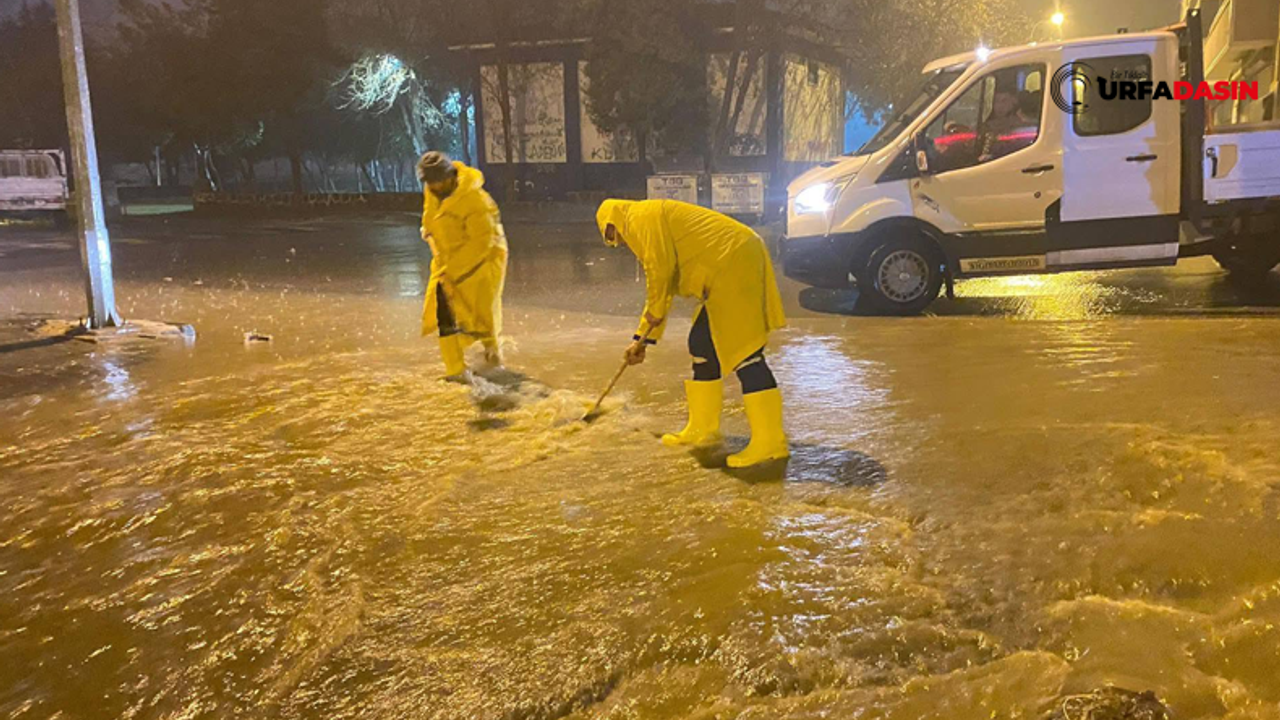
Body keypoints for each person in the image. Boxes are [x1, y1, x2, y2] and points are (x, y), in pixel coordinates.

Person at [596, 198, 789, 468]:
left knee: (745, 352)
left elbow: (659, 272)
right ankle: (704, 429)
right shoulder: (644, 219)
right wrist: (643, 340)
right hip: (727, 265)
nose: (620, 242)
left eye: (613, 234)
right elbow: (670, 275)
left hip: (733, 262)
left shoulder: (640, 218)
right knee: (701, 345)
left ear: (613, 219)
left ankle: (771, 443)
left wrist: (643, 333)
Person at [418, 151, 508, 382]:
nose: (434, 186)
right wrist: (427, 228)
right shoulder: (432, 191)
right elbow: (431, 215)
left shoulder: (476, 200)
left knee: (481, 313)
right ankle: (455, 369)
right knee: (444, 313)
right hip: (445, 263)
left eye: (437, 180)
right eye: (430, 182)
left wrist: (455, 272)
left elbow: (482, 240)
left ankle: (492, 352)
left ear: (450, 177)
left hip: (483, 261)